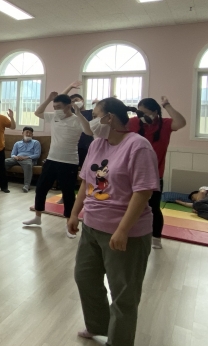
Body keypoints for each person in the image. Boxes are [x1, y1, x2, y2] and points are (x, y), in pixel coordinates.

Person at [67, 97, 159, 346]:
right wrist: (75, 213)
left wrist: (122, 229)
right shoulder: (97, 144)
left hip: (126, 233)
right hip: (92, 226)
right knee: (84, 278)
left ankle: (118, 341)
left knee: (124, 293)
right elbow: (86, 182)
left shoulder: (138, 146)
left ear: (110, 118)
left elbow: (143, 192)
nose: (92, 121)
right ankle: (98, 326)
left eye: (96, 116)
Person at [23, 92, 93, 237]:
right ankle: (37, 217)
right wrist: (49, 99)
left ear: (68, 106)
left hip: (69, 162)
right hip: (51, 160)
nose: (56, 110)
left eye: (59, 107)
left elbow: (89, 131)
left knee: (68, 194)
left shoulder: (77, 119)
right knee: (41, 188)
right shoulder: (54, 116)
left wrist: (79, 113)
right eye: (54, 107)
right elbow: (37, 112)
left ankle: (69, 224)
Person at [128, 96, 186, 249]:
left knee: (154, 208)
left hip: (155, 175)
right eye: (140, 113)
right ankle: (130, 233)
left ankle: (156, 238)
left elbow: (181, 122)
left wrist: (167, 105)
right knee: (130, 206)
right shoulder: (134, 122)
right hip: (132, 174)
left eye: (145, 113)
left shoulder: (165, 124)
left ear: (154, 112)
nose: (142, 116)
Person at [0, 127, 41, 192]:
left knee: (28, 165)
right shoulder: (17, 143)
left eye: (30, 133)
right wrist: (15, 157)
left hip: (28, 159)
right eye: (27, 132)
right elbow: (13, 154)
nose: (28, 134)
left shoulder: (36, 143)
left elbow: (37, 155)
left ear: (32, 135)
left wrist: (26, 157)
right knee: (3, 162)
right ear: (22, 133)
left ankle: (26, 185)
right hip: (17, 158)